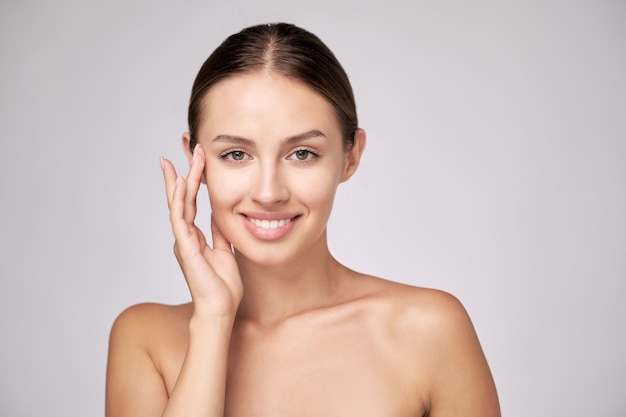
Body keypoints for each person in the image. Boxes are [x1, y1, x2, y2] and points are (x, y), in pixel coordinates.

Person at [105, 22, 501, 417]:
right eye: (236, 155)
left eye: (302, 153)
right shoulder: (145, 340)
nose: (268, 191)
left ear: (351, 156)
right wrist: (212, 320)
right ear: (197, 161)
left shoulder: (430, 331)